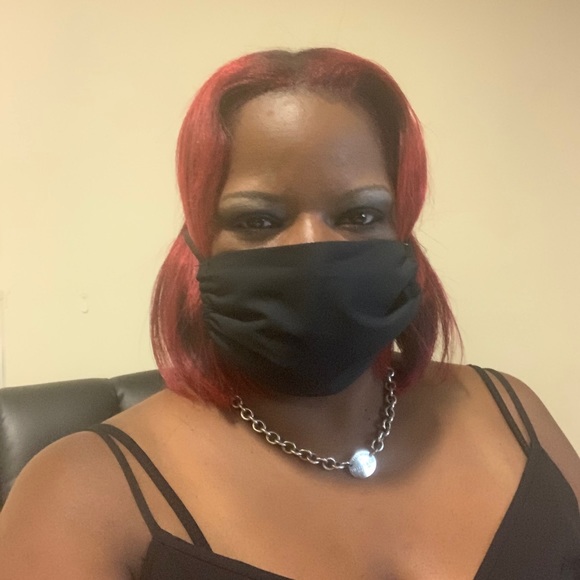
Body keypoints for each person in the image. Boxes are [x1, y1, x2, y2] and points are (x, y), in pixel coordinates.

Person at [0, 48, 578, 579]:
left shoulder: (513, 413)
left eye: (359, 215)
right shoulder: (79, 496)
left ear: (403, 231)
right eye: (258, 220)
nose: (312, 250)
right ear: (197, 245)